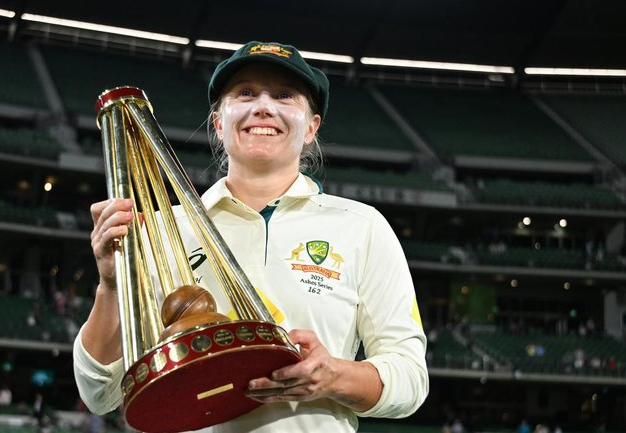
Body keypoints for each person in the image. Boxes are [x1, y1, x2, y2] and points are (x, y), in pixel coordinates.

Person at [73, 41, 428, 432]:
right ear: (218, 122)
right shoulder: (159, 230)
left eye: (284, 95)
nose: (263, 107)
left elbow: (410, 379)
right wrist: (111, 285)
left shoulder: (361, 226)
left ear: (311, 127)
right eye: (245, 93)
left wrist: (334, 376)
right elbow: (100, 394)